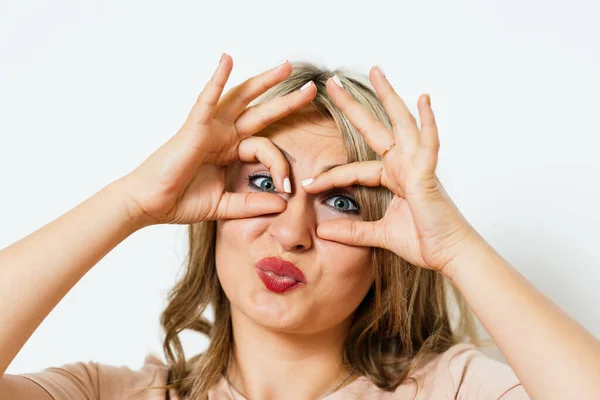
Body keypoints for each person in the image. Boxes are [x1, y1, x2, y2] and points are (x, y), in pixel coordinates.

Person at [0, 54, 598, 400]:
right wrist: (132, 201)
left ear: (385, 245)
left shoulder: (453, 389)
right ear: (213, 214)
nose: (291, 232)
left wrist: (456, 247)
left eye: (339, 200)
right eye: (263, 183)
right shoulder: (113, 396)